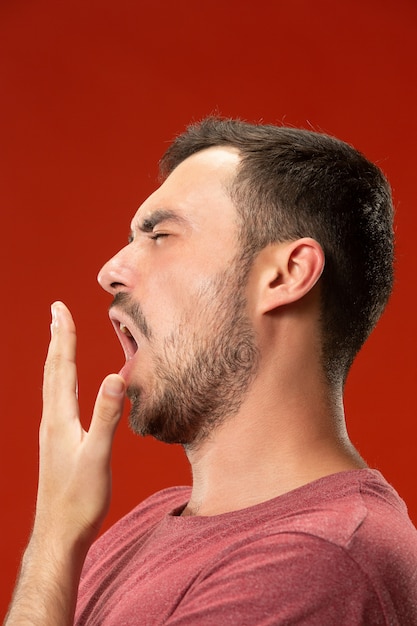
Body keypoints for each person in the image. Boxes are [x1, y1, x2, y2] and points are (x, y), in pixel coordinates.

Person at [5, 117, 417, 625]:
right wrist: (61, 534)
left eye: (159, 235)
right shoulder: (149, 525)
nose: (109, 271)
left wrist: (53, 533)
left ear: (285, 275)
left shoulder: (316, 558)